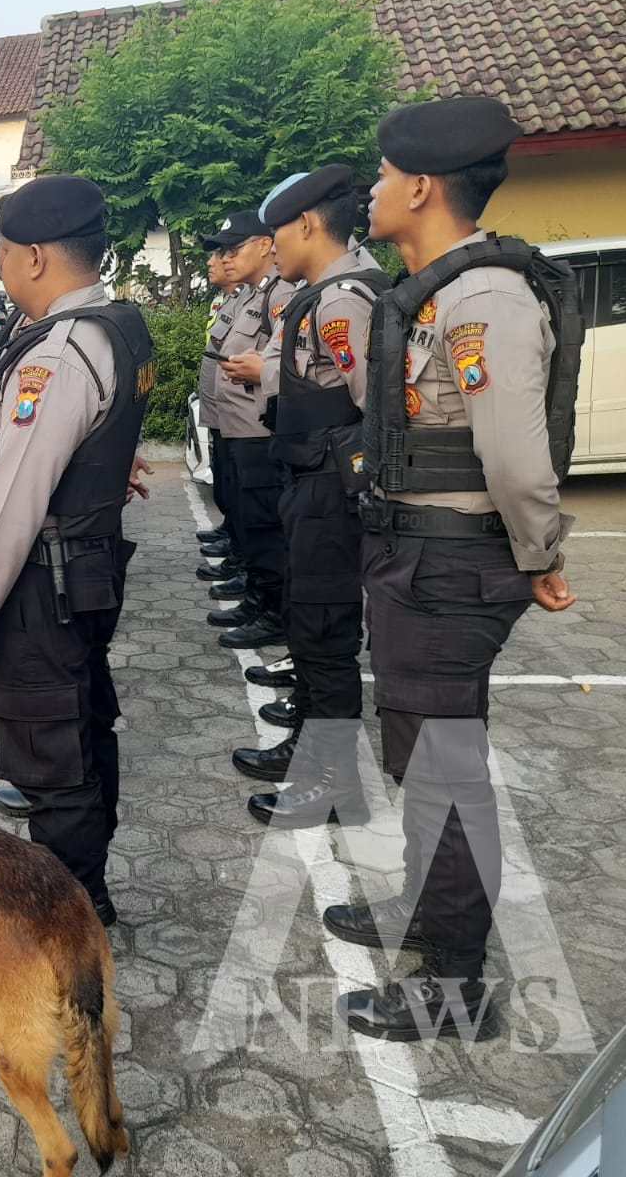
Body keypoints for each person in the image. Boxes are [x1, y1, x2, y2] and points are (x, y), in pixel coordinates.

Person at [324, 97, 579, 1041]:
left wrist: (540, 555)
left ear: (423, 187)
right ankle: (425, 913)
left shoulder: (483, 301)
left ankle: (454, 986)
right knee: (421, 758)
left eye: (386, 176)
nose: (376, 189)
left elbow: (515, 459)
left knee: (443, 770)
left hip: (449, 567)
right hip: (417, 561)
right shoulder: (435, 292)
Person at [0, 175, 154, 928]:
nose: (4, 266)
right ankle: (86, 895)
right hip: (83, 571)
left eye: (6, 252)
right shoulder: (116, 325)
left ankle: (73, 918)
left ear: (37, 257)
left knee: (53, 753)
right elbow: (99, 434)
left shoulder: (62, 353)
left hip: (44, 584)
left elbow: (11, 510)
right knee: (79, 728)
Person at [236, 165, 391, 816]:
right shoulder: (318, 294)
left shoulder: (342, 302)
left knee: (325, 634)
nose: (271, 249)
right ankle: (307, 751)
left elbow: (375, 408)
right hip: (309, 484)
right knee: (306, 623)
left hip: (333, 493)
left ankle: (334, 783)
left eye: (276, 235)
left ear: (306, 225)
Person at [212, 212, 299, 649]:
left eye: (235, 248)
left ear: (265, 245)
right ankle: (260, 598)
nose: (226, 258)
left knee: (266, 524)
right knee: (251, 519)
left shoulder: (281, 293)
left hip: (259, 429)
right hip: (238, 426)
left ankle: (274, 612)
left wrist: (259, 370)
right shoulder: (256, 293)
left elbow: (285, 361)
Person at [195, 237, 246, 595]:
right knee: (226, 479)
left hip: (242, 418)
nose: (214, 261)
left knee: (243, 490)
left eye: (223, 253)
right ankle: (232, 535)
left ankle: (244, 558)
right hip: (221, 411)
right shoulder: (228, 300)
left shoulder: (258, 299)